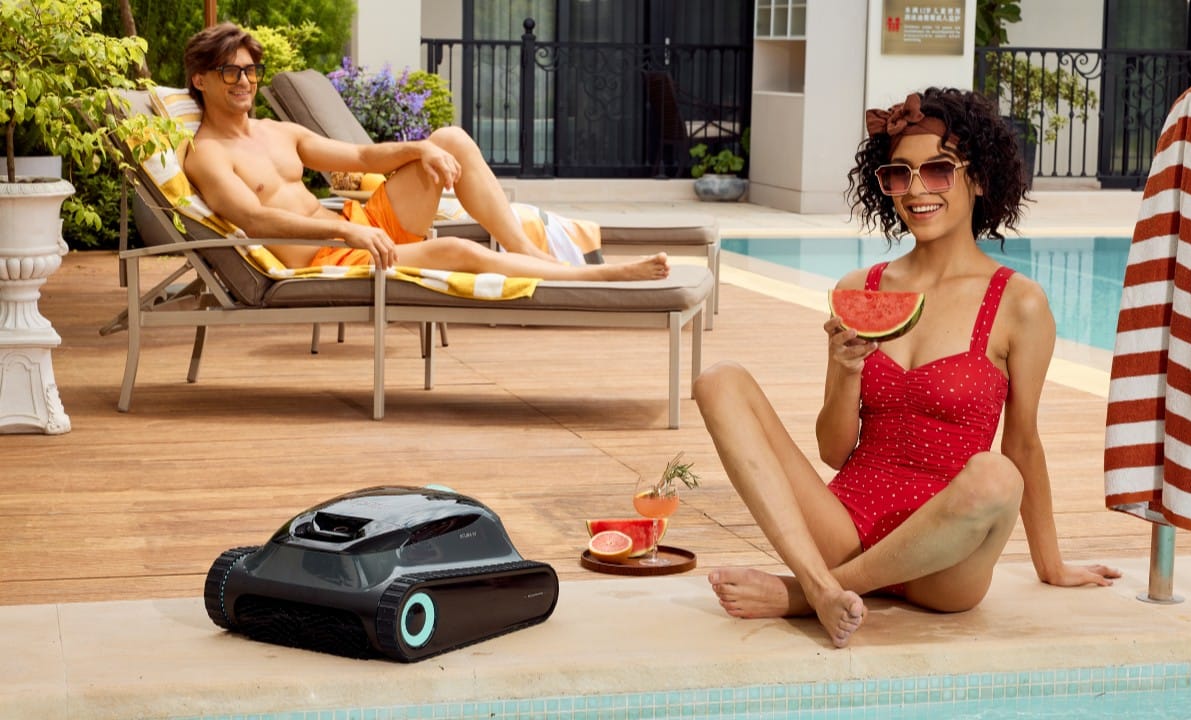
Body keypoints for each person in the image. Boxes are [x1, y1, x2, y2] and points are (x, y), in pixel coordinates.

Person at [692, 87, 1121, 649]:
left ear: (980, 178)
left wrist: (1052, 564)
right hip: (849, 527)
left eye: (939, 171)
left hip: (944, 559)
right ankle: (826, 582)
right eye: (899, 175)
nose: (917, 191)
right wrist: (847, 373)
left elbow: (1023, 444)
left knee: (997, 475)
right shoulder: (858, 289)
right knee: (718, 380)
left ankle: (805, 594)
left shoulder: (1019, 303)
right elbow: (833, 451)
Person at [180, 23, 668, 281]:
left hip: (362, 228)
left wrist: (420, 149)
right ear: (200, 79)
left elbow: (363, 158)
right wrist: (343, 229)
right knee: (457, 249)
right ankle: (593, 280)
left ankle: (526, 251)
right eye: (230, 71)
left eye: (249, 70)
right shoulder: (208, 155)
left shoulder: (276, 130)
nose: (244, 80)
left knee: (449, 139)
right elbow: (256, 220)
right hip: (327, 259)